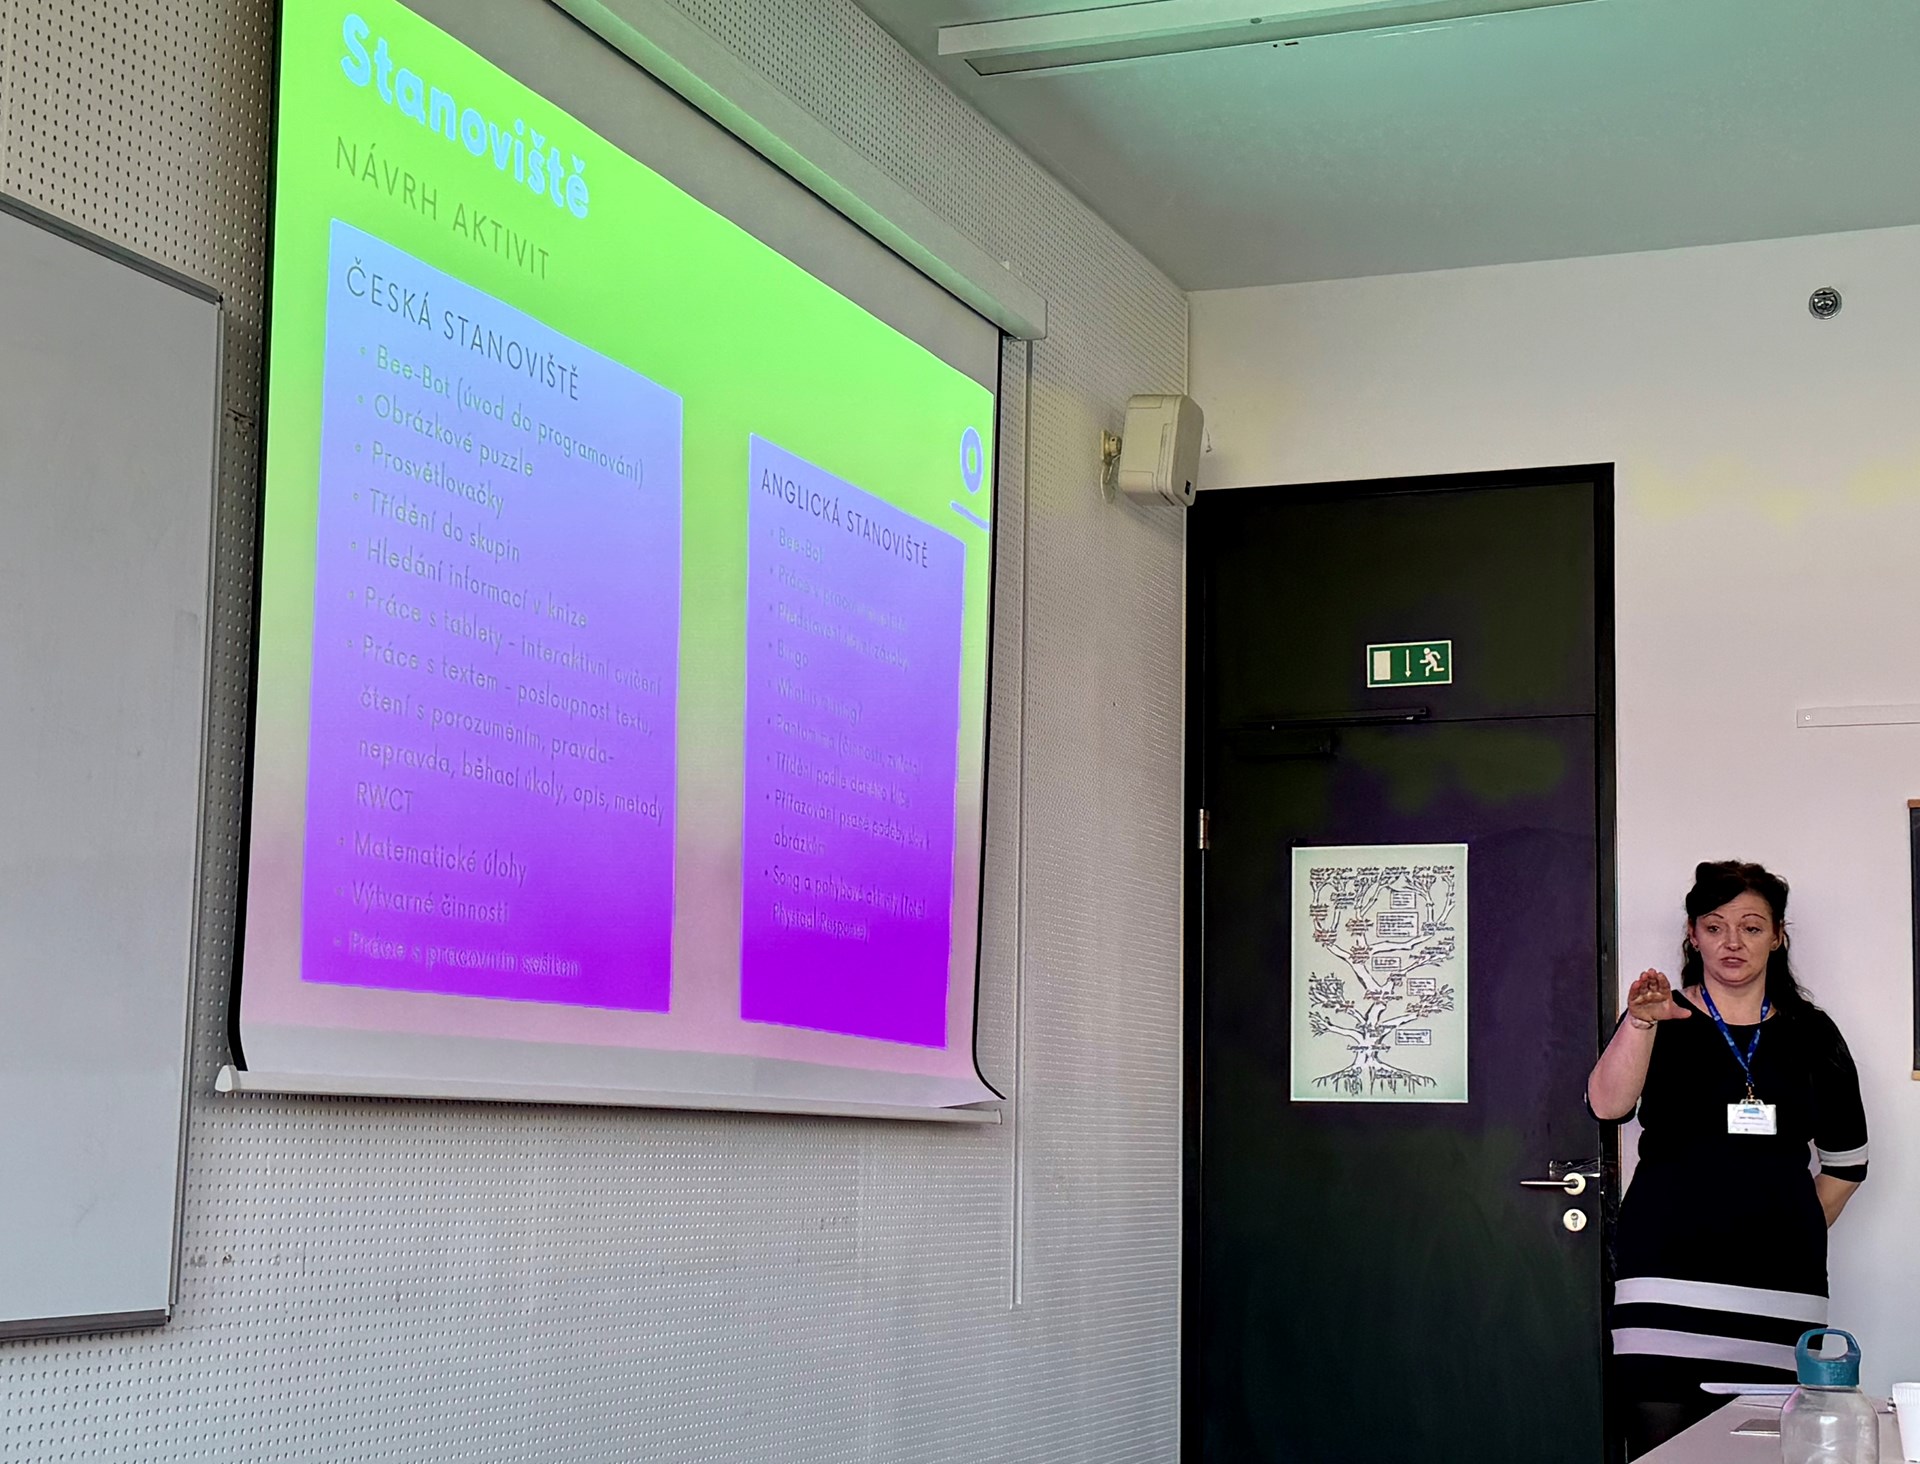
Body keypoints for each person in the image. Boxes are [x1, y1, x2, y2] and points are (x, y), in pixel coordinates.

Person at [1586, 860, 1869, 1459]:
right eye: (1714, 927)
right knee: (1662, 1450)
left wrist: (1786, 1228)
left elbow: (1848, 1163)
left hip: (1780, 1288)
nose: (1732, 942)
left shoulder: (1812, 1034)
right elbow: (1607, 1106)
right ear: (1693, 936)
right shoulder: (1659, 1016)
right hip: (1662, 1279)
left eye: (1751, 926)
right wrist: (1639, 1022)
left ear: (1778, 936)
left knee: (1762, 1450)